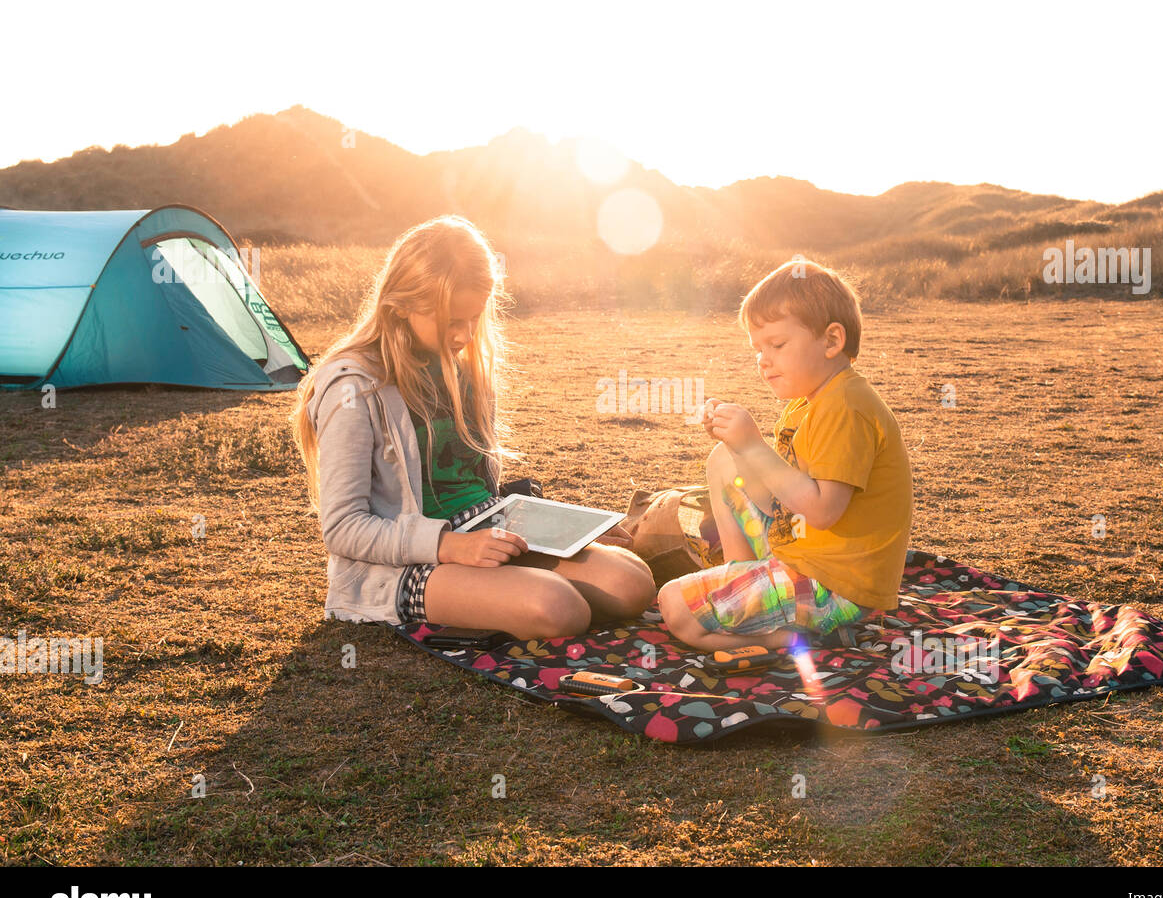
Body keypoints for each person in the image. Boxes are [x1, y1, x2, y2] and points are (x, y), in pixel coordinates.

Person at [290, 215, 657, 638]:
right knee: (558, 608)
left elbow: (481, 490)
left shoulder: (462, 371)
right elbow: (343, 528)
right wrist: (450, 546)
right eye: (451, 321)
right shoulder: (353, 388)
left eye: (473, 319)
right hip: (408, 560)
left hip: (487, 527)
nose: (464, 336)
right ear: (402, 304)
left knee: (632, 583)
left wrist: (568, 530)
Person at [657, 258, 913, 651]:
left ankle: (790, 638)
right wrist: (740, 448)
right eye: (757, 348)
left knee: (674, 606)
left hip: (834, 585)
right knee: (723, 461)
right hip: (804, 554)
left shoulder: (845, 406)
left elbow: (824, 511)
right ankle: (741, 577)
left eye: (776, 345)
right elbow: (781, 499)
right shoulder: (807, 403)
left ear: (831, 341)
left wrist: (756, 447)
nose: (763, 359)